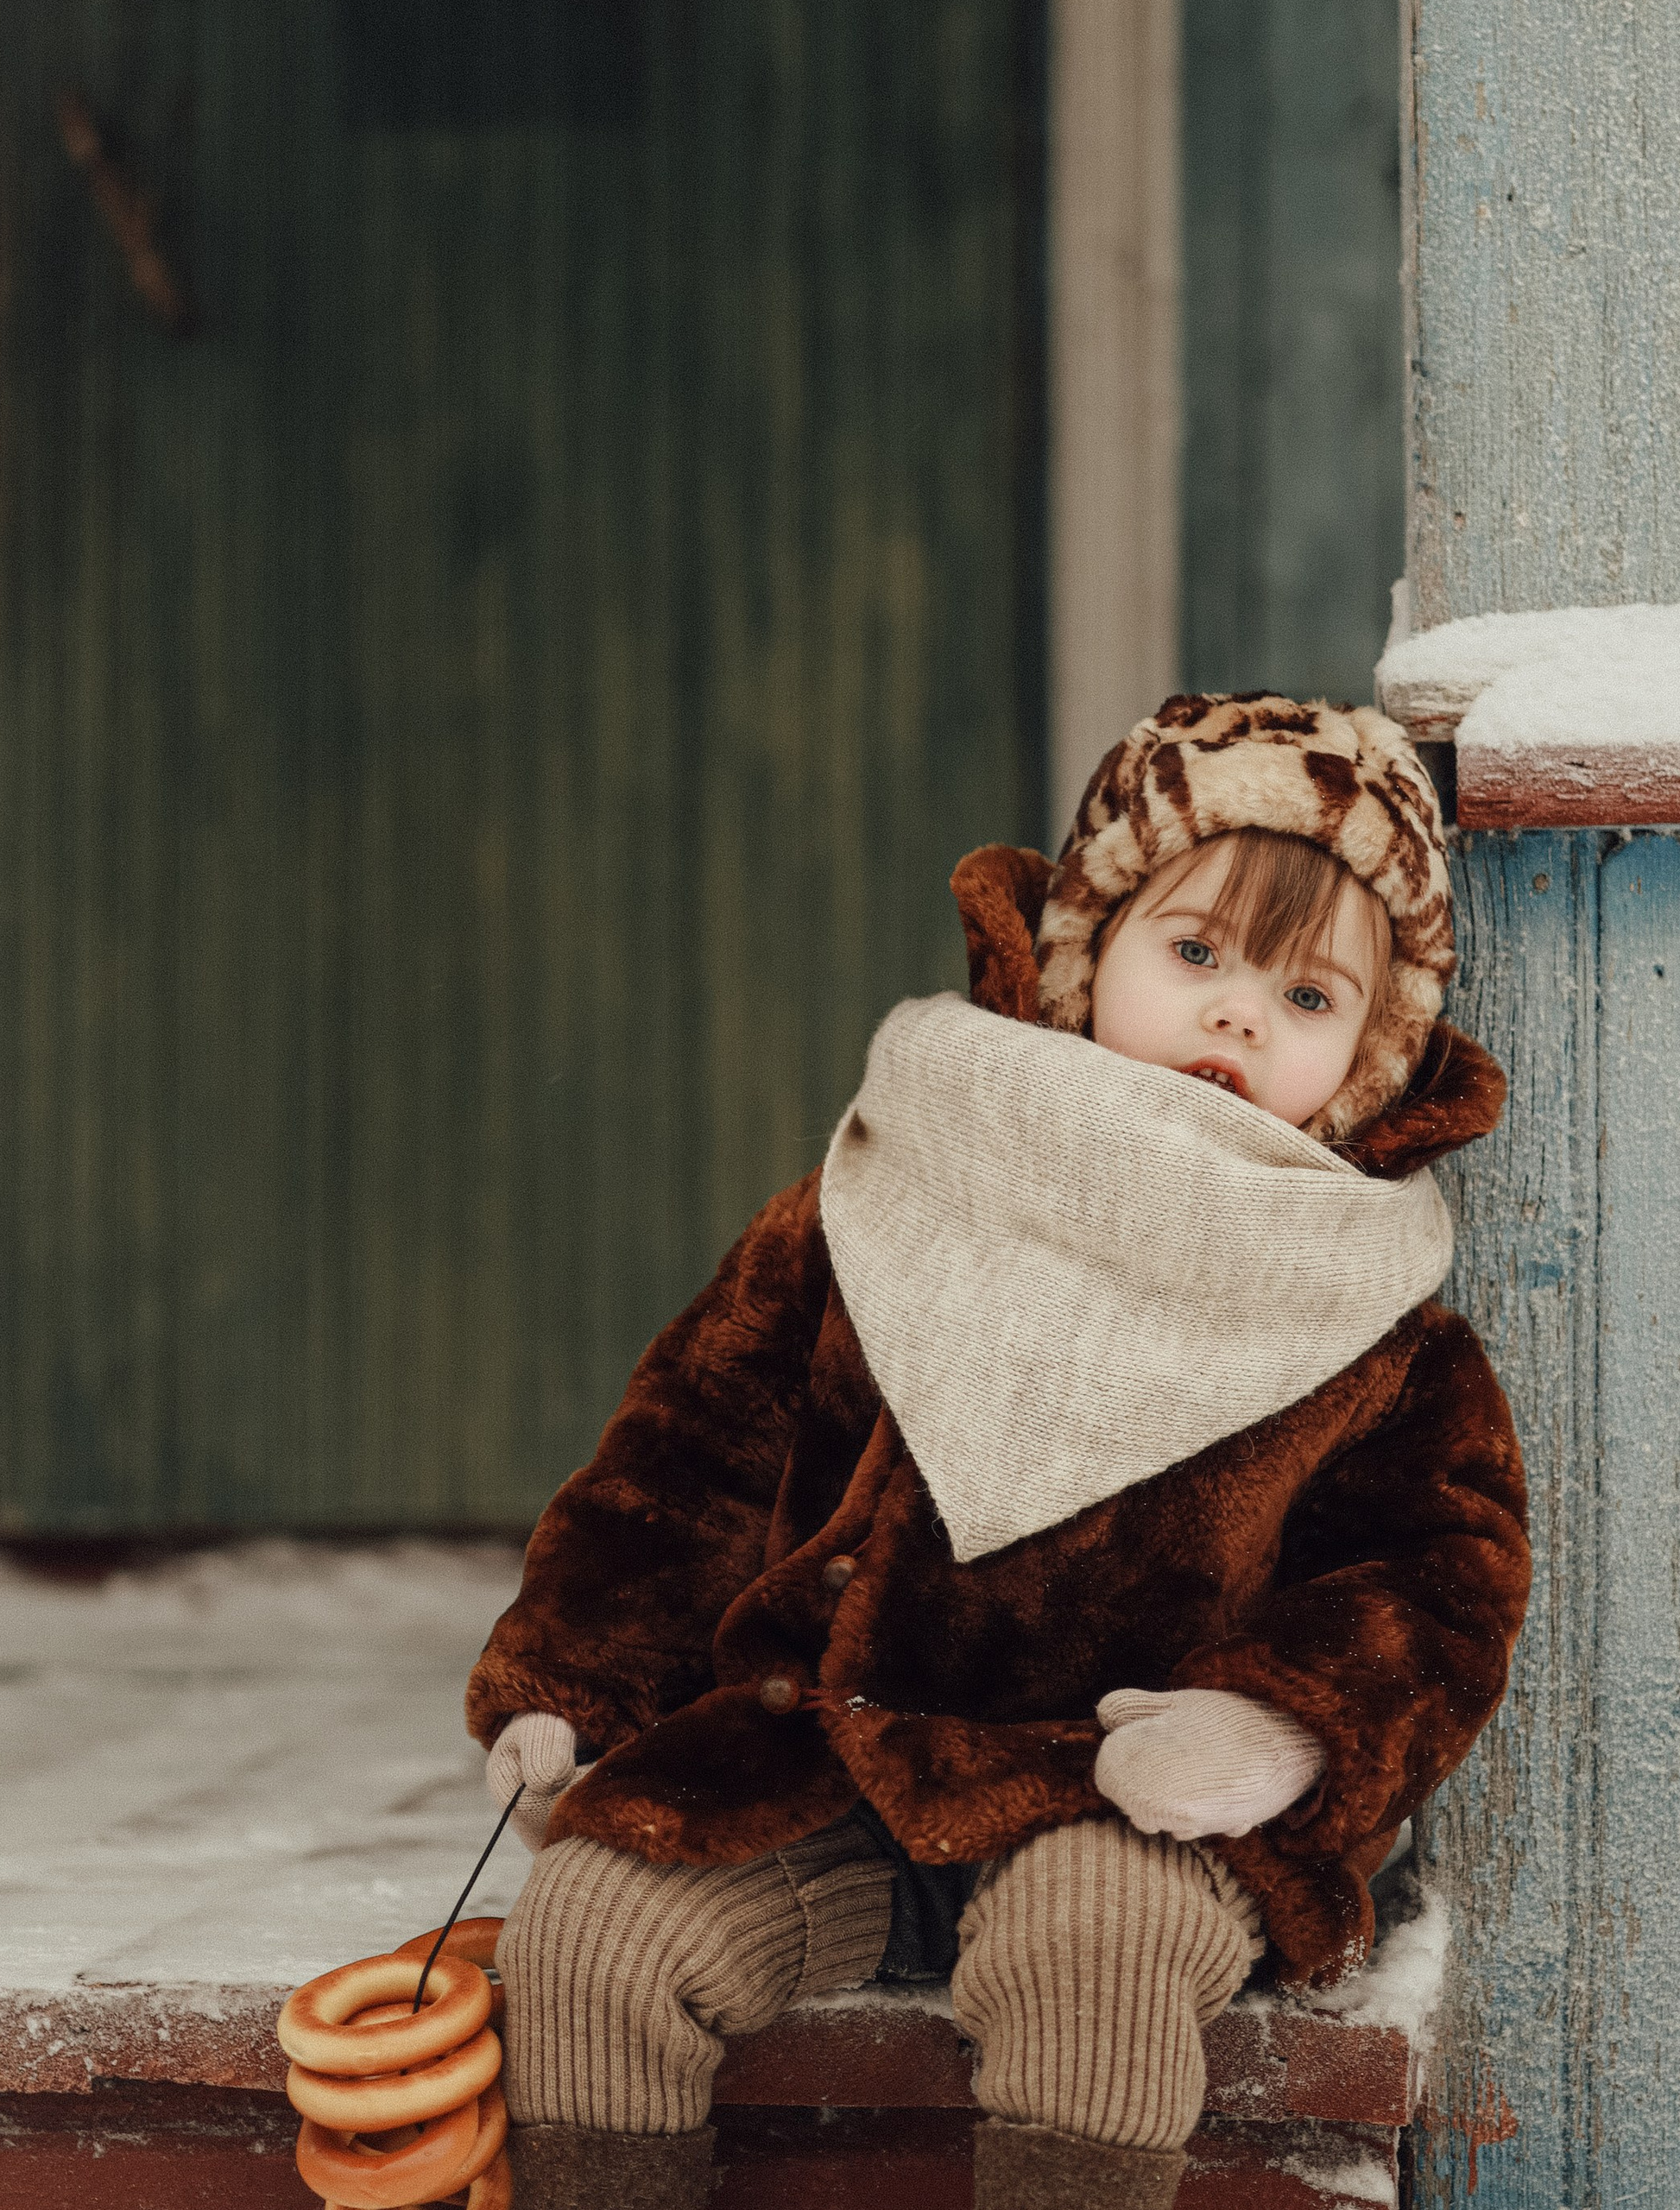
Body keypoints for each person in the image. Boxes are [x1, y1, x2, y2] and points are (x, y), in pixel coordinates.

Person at [467, 692, 1531, 2210]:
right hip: (827, 1743)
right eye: (1197, 953)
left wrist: (1281, 1728)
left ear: (1371, 1059)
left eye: (1309, 1000)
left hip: (1124, 1791)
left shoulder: (1371, 1316)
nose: (1240, 1011)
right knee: (596, 1927)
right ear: (1088, 952)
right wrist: (577, 1678)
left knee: (1088, 1959)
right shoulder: (890, 1183)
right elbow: (695, 1451)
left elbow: (1436, 1582)